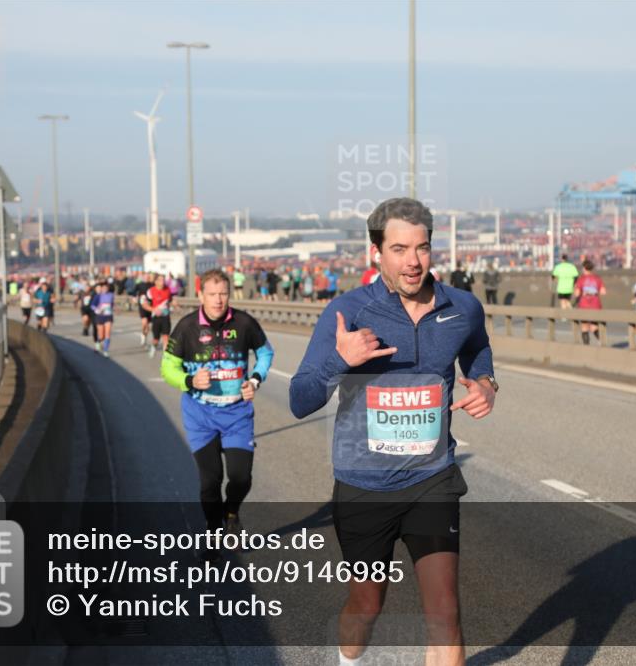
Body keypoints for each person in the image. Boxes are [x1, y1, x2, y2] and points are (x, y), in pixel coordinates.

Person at [289, 198, 496, 666]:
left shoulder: (460, 307)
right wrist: (341, 361)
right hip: (365, 485)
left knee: (445, 613)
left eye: (422, 248)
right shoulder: (348, 312)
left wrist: (486, 383)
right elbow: (300, 399)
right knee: (367, 605)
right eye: (400, 249)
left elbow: (478, 348)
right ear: (376, 252)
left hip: (432, 478)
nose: (413, 261)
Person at [161, 270, 274, 556]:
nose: (218, 300)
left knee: (240, 477)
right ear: (201, 295)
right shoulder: (186, 328)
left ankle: (231, 512)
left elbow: (265, 353)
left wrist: (256, 380)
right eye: (212, 294)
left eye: (223, 293)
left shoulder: (244, 322)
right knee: (210, 481)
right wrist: (188, 381)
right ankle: (213, 534)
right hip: (200, 415)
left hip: (237, 413)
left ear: (229, 294)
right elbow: (167, 368)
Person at [573, 259, 606, 345]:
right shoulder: (597, 278)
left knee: (584, 327)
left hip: (584, 305)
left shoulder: (581, 279)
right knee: (594, 326)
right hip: (596, 305)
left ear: (584, 268)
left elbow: (577, 294)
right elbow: (603, 292)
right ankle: (602, 342)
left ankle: (587, 347)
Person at [144, 272, 173, 359]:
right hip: (156, 317)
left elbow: (170, 301)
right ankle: (154, 346)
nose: (162, 282)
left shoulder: (168, 290)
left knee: (166, 336)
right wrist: (154, 309)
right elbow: (145, 304)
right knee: (156, 339)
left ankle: (166, 357)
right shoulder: (150, 291)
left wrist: (173, 304)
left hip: (165, 316)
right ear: (155, 281)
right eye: (160, 280)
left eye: (163, 280)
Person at [93, 281, 115, 358]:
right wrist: (97, 310)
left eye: (106, 287)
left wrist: (111, 309)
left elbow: (112, 304)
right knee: (101, 336)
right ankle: (98, 343)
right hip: (100, 316)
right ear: (101, 289)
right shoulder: (98, 296)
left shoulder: (111, 295)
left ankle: (106, 350)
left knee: (107, 334)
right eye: (103, 288)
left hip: (108, 316)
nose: (105, 289)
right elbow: (92, 305)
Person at [135, 274, 153, 347]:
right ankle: (142, 334)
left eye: (148, 277)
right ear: (143, 278)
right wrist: (134, 297)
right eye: (145, 277)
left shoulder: (152, 285)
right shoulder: (139, 285)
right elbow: (133, 292)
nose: (147, 278)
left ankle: (144, 336)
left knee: (148, 326)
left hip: (150, 306)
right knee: (144, 322)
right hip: (142, 305)